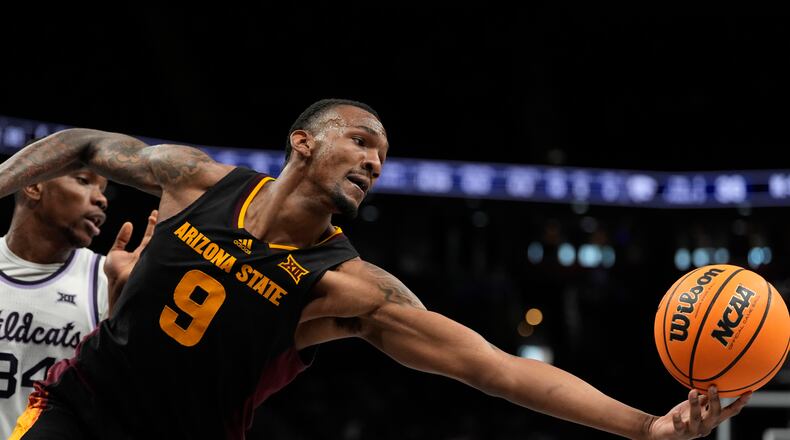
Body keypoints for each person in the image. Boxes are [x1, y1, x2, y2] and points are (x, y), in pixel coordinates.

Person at [0, 99, 750, 439]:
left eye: (382, 156)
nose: (374, 161)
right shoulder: (197, 181)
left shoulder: (349, 287)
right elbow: (84, 143)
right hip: (77, 408)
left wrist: (646, 426)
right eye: (360, 141)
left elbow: (496, 368)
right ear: (302, 142)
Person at [0, 167, 157, 438]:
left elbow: (126, 399)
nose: (101, 199)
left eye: (103, 190)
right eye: (84, 181)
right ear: (34, 185)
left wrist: (125, 303)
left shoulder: (107, 279)